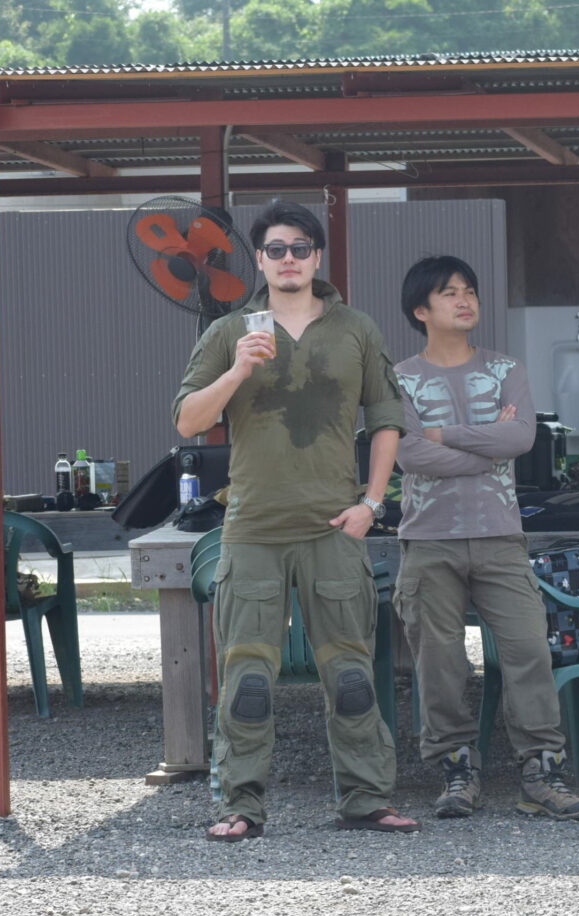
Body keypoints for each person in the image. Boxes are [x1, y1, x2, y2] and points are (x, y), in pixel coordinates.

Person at [173, 199, 420, 840]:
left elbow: (387, 419)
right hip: (253, 528)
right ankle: (241, 805)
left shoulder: (356, 328)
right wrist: (239, 369)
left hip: (333, 526)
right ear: (259, 260)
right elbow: (189, 420)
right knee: (248, 679)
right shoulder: (230, 331)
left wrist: (372, 503)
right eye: (276, 249)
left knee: (351, 674)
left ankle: (367, 799)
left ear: (317, 257)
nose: (289, 259)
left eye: (300, 248)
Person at [392, 255, 579, 821]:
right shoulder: (398, 377)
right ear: (420, 310)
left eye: (470, 291)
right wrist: (484, 446)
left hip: (501, 535)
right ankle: (456, 770)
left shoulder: (506, 369)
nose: (465, 301)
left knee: (529, 650)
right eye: (449, 293)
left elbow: (521, 438)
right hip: (428, 538)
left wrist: (443, 434)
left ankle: (541, 772)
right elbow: (409, 454)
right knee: (439, 661)